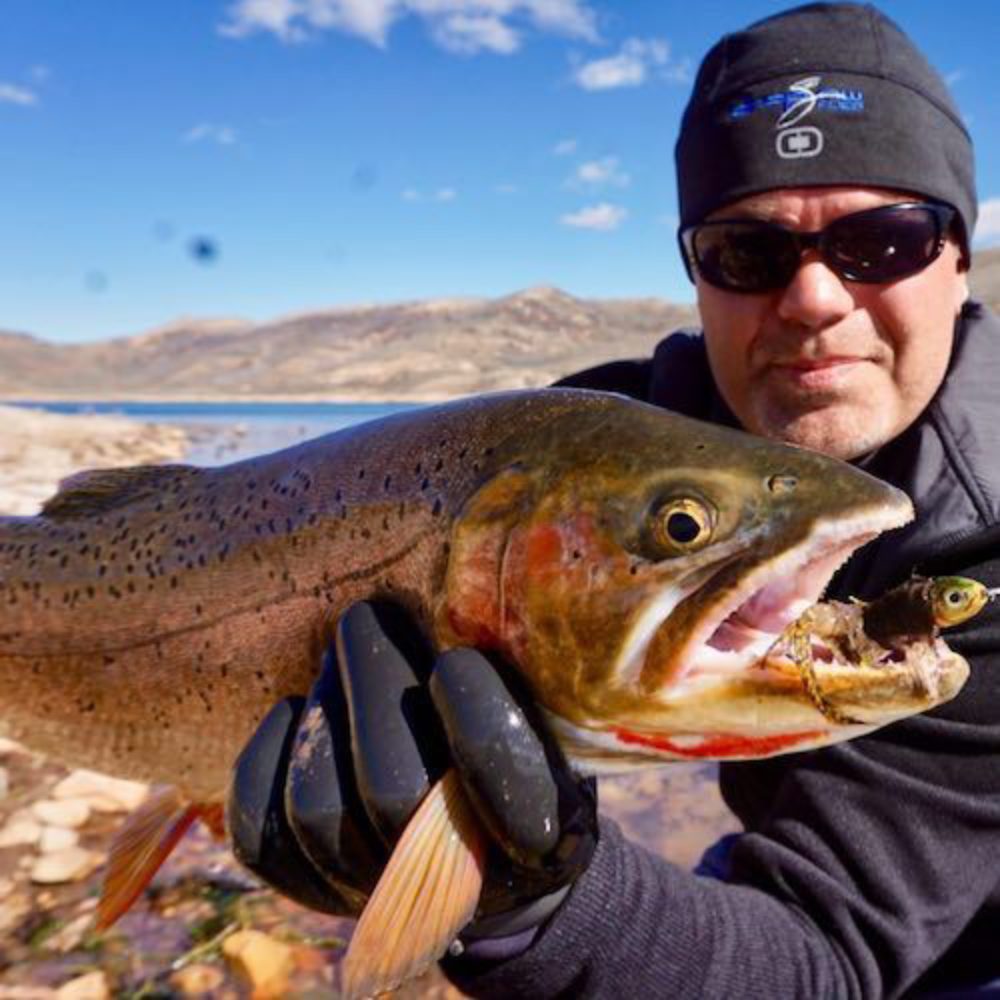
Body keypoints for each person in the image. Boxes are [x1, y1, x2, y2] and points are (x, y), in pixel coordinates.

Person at [225, 4, 1000, 997]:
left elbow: (822, 956)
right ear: (694, 273)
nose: (812, 299)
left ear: (958, 256)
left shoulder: (986, 545)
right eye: (747, 253)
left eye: (883, 240)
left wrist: (535, 902)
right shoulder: (585, 454)